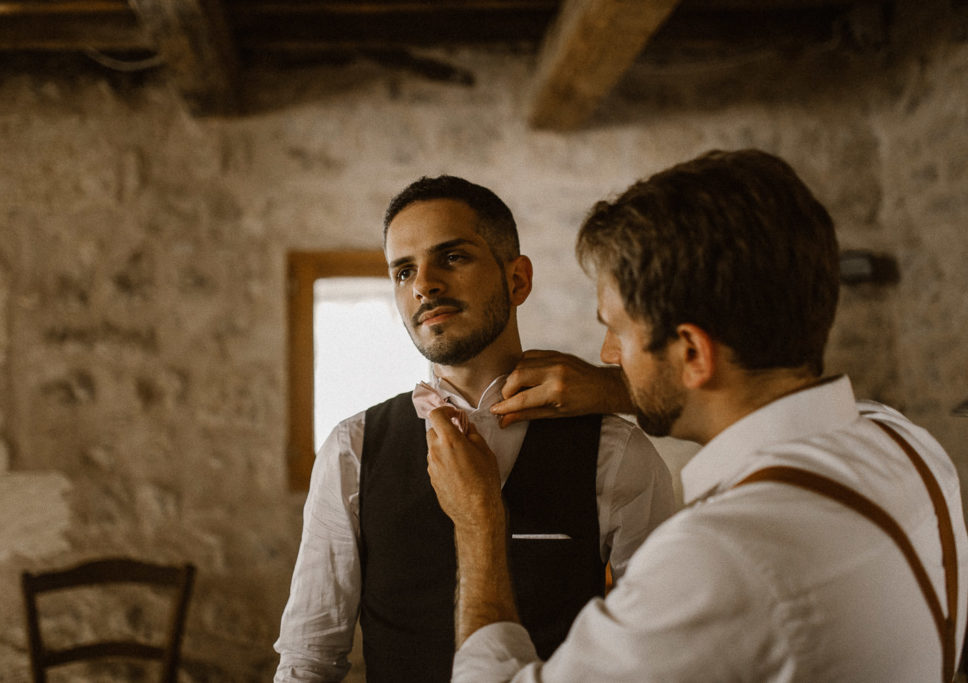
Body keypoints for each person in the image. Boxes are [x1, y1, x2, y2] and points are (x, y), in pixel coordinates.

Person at [426, 150, 968, 682]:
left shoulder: (714, 561)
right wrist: (623, 389)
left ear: (691, 354)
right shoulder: (903, 440)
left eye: (617, 331)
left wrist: (479, 526)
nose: (609, 356)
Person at [273, 175, 675, 682]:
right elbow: (309, 658)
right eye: (403, 271)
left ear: (518, 280)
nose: (424, 284)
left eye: (452, 257)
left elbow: (661, 655)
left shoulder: (614, 452)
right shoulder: (352, 450)